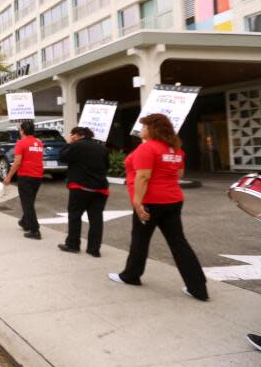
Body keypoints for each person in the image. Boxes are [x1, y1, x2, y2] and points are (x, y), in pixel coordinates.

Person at [108, 113, 208, 301]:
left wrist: (137, 202)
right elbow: (179, 174)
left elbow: (143, 176)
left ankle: (131, 275)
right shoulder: (175, 149)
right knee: (179, 243)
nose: (141, 129)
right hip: (173, 200)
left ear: (151, 129)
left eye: (144, 126)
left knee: (140, 240)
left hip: (150, 202)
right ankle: (198, 287)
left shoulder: (147, 148)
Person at [57, 126, 109, 257]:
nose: (70, 137)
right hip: (100, 189)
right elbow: (107, 166)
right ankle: (94, 249)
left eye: (71, 134)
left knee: (75, 216)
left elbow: (62, 157)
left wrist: (68, 143)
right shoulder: (101, 147)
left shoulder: (77, 146)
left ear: (76, 135)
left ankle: (73, 244)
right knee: (96, 219)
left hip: (80, 187)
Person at [3, 121, 44, 240]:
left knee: (27, 204)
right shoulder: (39, 143)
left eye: (20, 129)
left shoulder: (21, 143)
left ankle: (35, 230)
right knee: (30, 202)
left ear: (22, 131)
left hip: (26, 176)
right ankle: (25, 222)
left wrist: (9, 176)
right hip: (38, 176)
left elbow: (17, 162)